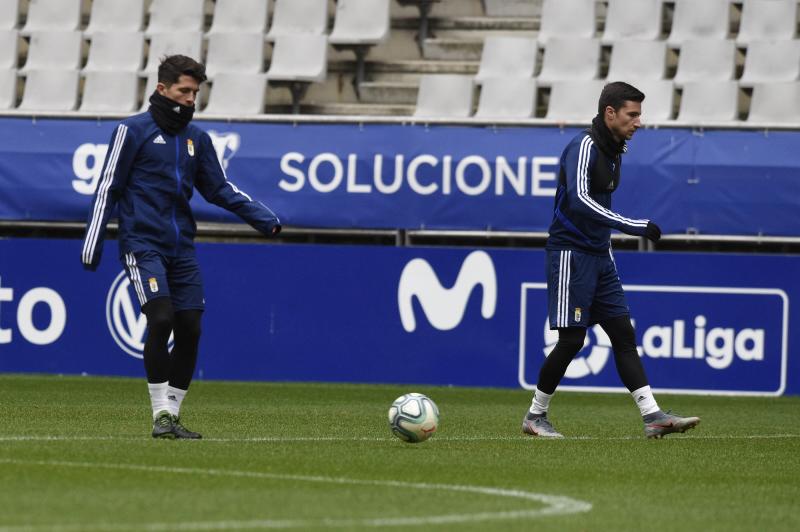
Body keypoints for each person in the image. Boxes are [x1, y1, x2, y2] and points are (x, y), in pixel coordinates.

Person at [81, 55, 281, 439]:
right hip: (142, 243)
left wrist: (263, 218)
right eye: (184, 91)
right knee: (160, 319)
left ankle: (172, 414)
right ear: (162, 89)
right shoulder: (131, 130)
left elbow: (219, 189)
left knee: (190, 328)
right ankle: (159, 416)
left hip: (181, 248)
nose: (191, 98)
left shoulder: (197, 140)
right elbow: (109, 187)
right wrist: (93, 241)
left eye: (196, 92)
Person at [522, 82, 700, 439]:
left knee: (623, 333)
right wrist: (632, 225)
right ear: (610, 114)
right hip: (571, 254)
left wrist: (609, 241)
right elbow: (579, 200)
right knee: (572, 341)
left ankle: (652, 417)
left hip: (599, 254)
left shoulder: (615, 149)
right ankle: (535, 416)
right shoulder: (584, 146)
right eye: (632, 114)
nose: (638, 122)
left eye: (639, 115)